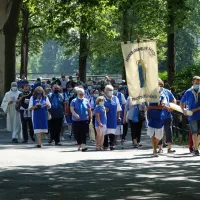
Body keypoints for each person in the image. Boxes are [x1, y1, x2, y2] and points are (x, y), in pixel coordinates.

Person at [146, 80, 169, 157]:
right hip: (152, 116)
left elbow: (162, 105)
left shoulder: (162, 95)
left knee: (159, 135)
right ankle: (155, 150)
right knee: (153, 134)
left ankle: (155, 147)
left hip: (160, 117)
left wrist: (150, 107)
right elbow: (146, 103)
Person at [180, 76, 200, 156]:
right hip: (192, 116)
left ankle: (195, 146)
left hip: (197, 113)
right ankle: (196, 149)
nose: (197, 84)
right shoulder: (188, 92)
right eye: (196, 83)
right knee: (194, 132)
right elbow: (181, 102)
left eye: (198, 83)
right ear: (193, 82)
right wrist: (183, 110)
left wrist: (195, 110)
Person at [158, 78, 176, 154]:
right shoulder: (153, 93)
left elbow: (173, 99)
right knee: (159, 131)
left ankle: (169, 148)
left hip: (167, 115)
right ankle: (160, 148)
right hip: (158, 115)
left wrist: (173, 106)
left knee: (168, 130)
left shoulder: (167, 91)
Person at [104, 85, 121, 150]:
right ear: (105, 91)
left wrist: (118, 117)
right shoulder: (103, 98)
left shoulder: (115, 98)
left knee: (112, 131)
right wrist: (104, 109)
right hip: (105, 117)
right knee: (105, 132)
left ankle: (112, 144)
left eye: (111, 90)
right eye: (109, 90)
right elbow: (97, 107)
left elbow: (118, 109)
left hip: (113, 117)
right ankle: (105, 145)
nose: (111, 92)